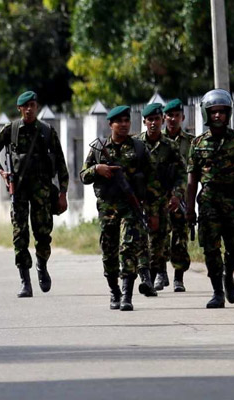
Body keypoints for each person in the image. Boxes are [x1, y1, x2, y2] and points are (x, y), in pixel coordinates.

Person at [0, 91, 69, 298]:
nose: (30, 109)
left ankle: (42, 265)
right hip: (19, 192)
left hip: (42, 191)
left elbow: (60, 163)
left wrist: (63, 193)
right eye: (26, 106)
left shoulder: (47, 132)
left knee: (43, 235)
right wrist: (1, 171)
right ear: (19, 109)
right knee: (20, 236)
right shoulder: (11, 131)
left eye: (33, 105)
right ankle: (25, 281)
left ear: (37, 107)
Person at [80, 105, 159, 311]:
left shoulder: (139, 148)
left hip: (131, 208)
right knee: (109, 252)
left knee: (128, 247)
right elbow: (83, 176)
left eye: (126, 121)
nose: (124, 125)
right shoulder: (99, 149)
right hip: (107, 208)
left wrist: (153, 211)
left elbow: (152, 182)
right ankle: (114, 291)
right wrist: (97, 169)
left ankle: (127, 295)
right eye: (119, 121)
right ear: (110, 124)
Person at [186, 89, 234, 308]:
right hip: (207, 201)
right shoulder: (197, 144)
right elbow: (192, 180)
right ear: (207, 114)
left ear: (228, 114)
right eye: (213, 112)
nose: (218, 116)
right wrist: (189, 211)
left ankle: (229, 274)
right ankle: (217, 291)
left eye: (222, 112)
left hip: (233, 199)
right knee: (210, 247)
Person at [134, 103, 186, 297]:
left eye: (157, 119)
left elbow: (182, 174)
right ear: (144, 122)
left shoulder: (170, 146)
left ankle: (154, 274)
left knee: (158, 243)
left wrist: (176, 195)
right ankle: (145, 277)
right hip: (139, 201)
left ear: (161, 120)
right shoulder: (136, 144)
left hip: (162, 202)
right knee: (140, 241)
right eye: (150, 120)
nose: (154, 123)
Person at [162, 98, 195, 292]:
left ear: (182, 117)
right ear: (164, 117)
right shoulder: (157, 138)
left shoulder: (191, 141)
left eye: (176, 116)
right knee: (159, 237)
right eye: (169, 116)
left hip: (181, 197)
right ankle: (160, 272)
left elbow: (192, 171)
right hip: (159, 196)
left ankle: (178, 277)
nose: (173, 119)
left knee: (180, 239)